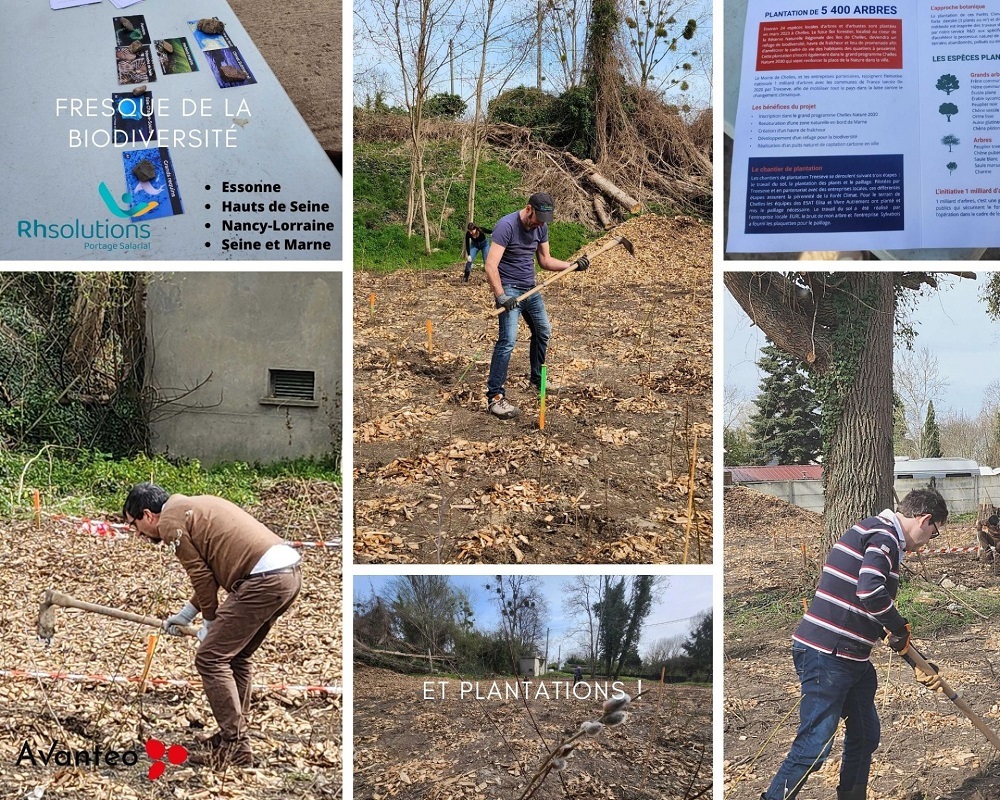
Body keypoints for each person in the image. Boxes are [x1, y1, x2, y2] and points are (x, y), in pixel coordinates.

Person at [761, 487, 948, 800]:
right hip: (828, 655)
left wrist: (917, 661)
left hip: (850, 658)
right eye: (935, 532)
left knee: (864, 734)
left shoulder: (878, 533)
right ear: (925, 519)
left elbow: (872, 615)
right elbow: (871, 591)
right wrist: (899, 625)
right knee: (814, 745)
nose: (930, 539)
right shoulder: (885, 536)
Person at [123, 482, 302, 768]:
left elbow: (201, 577)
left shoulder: (171, 523)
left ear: (148, 515)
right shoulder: (189, 506)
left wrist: (209, 620)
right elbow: (211, 570)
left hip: (263, 579)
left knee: (210, 658)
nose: (138, 533)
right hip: (287, 574)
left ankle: (236, 746)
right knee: (237, 656)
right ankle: (233, 734)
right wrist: (186, 614)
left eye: (134, 525)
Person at [484, 192, 589, 419]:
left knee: (543, 331)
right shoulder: (506, 226)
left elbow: (545, 261)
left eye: (544, 220)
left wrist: (572, 265)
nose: (539, 224)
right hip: (509, 290)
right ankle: (495, 397)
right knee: (508, 341)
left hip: (531, 289)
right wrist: (502, 296)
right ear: (528, 209)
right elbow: (490, 265)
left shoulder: (540, 226)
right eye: (537, 218)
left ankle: (537, 378)